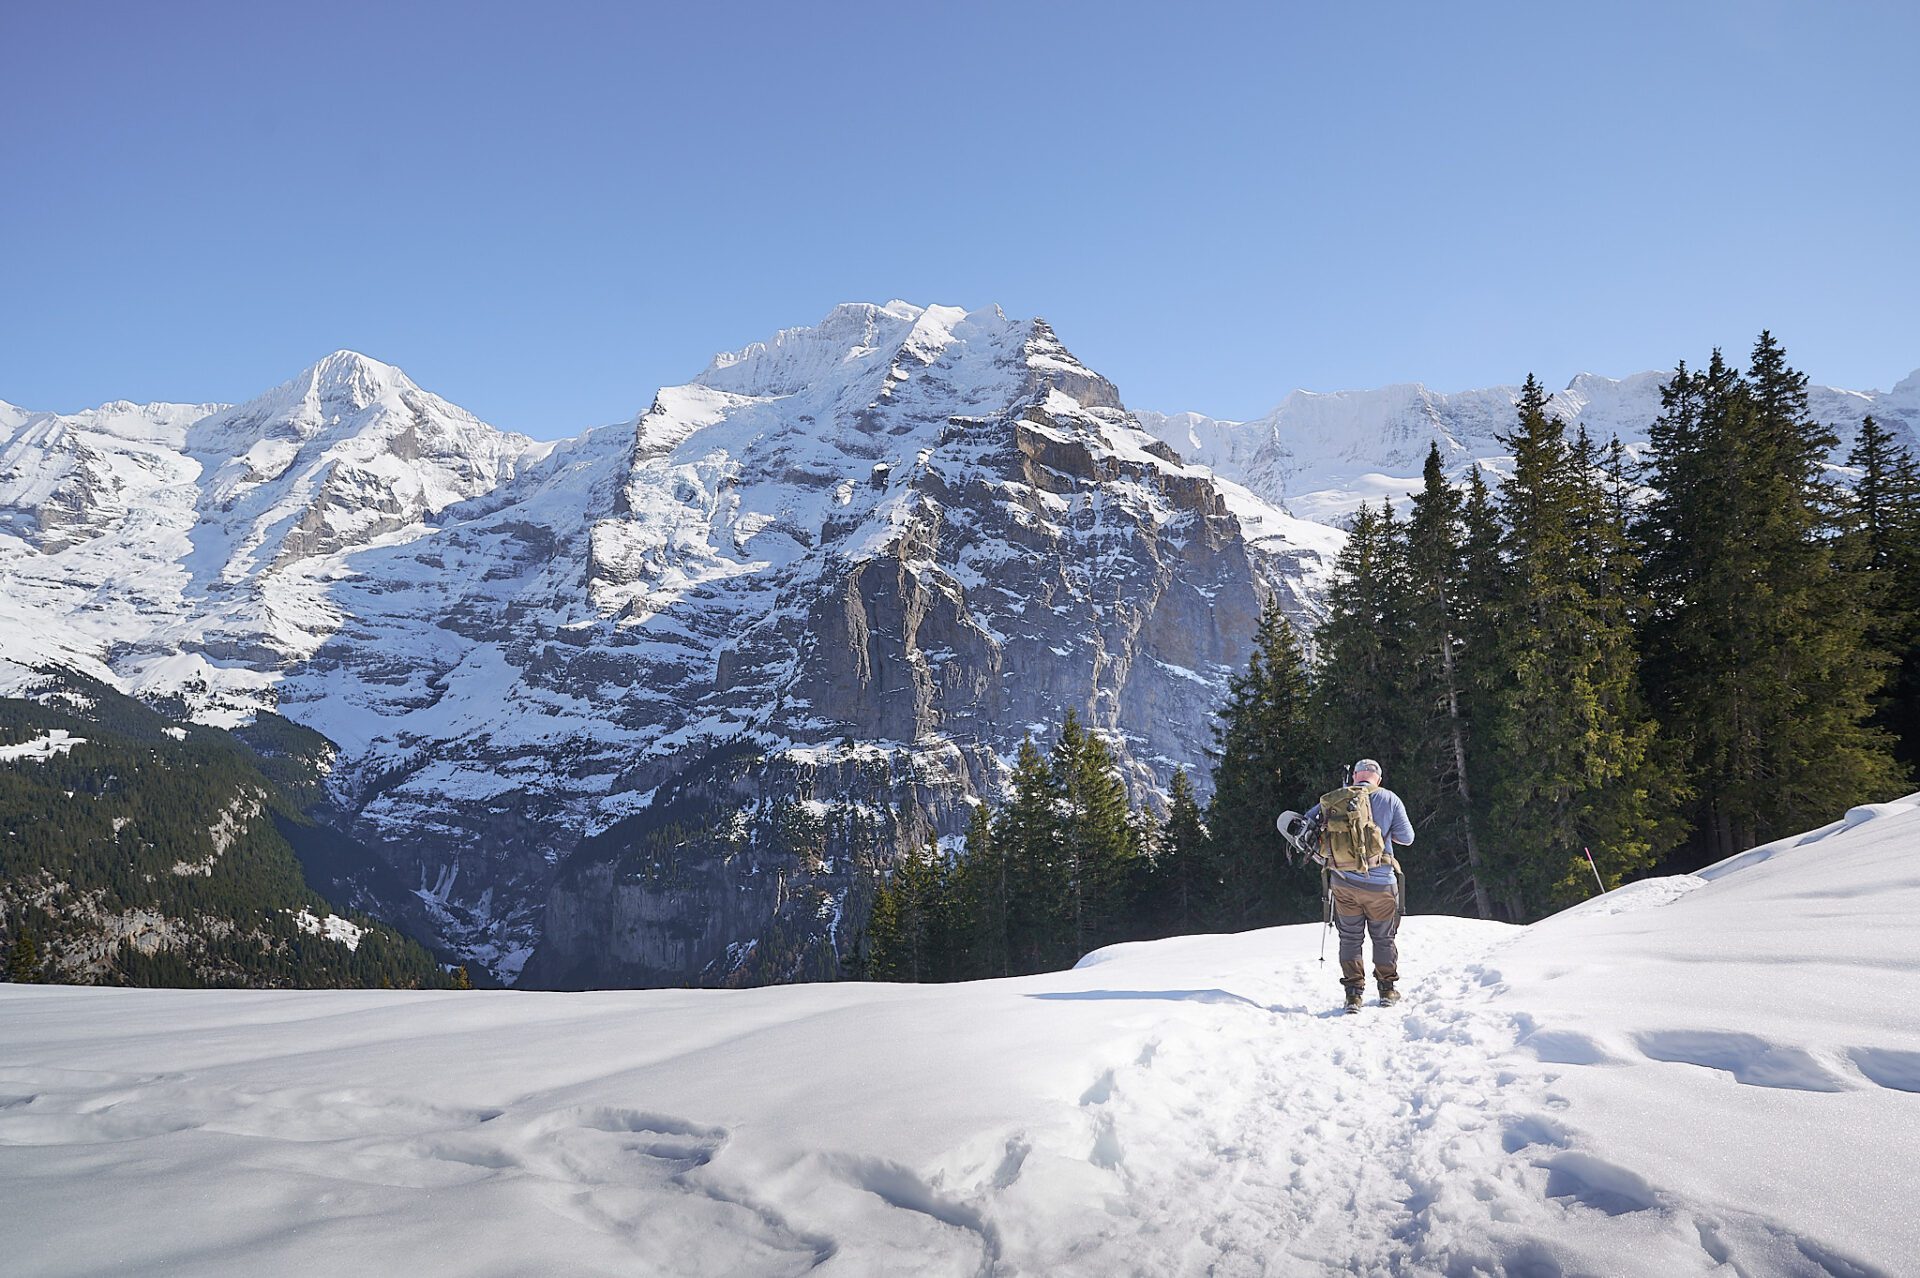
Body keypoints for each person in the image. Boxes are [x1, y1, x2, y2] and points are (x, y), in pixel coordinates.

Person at [1301, 758, 1414, 1011]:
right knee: (1384, 938)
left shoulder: (1333, 798)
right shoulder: (1390, 799)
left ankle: (1353, 994)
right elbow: (1407, 838)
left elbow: (1304, 829)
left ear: (1354, 777)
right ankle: (1387, 990)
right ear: (1379, 779)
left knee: (1350, 938)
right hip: (1381, 884)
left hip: (1343, 883)